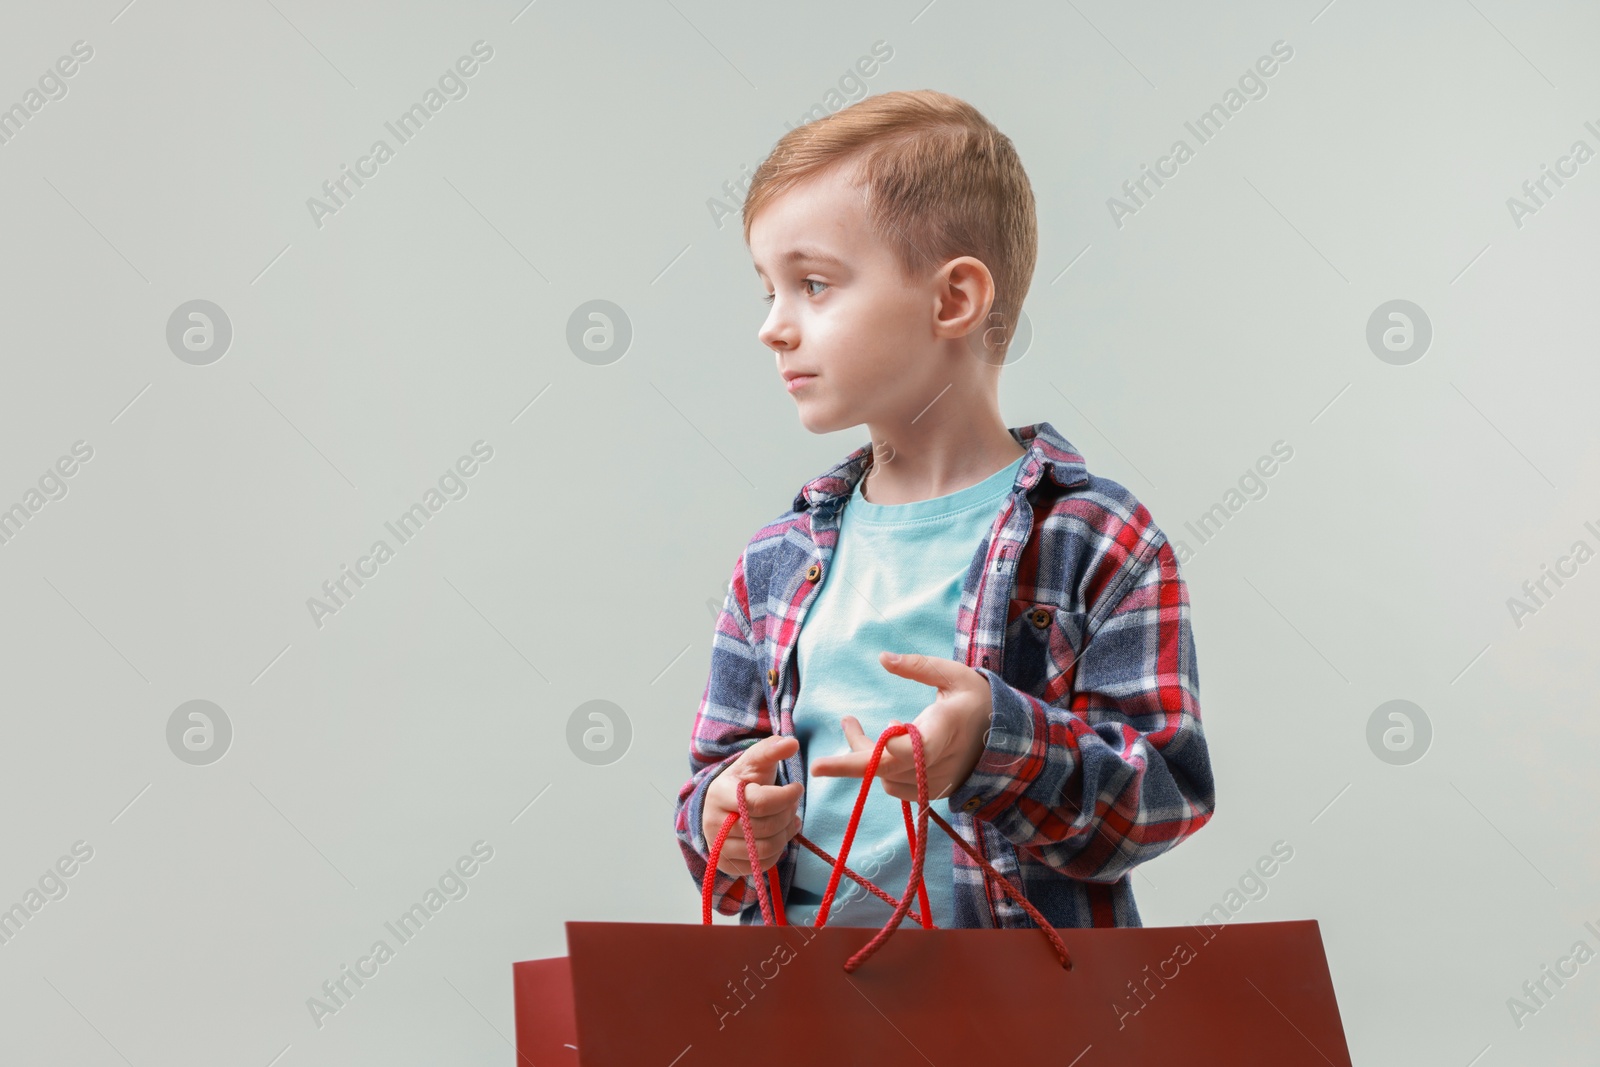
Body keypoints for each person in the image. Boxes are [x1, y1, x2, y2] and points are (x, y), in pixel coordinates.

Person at [672, 89, 1215, 931]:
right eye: (768, 291)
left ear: (954, 299)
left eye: (812, 284)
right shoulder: (774, 560)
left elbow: (1164, 793)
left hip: (1019, 1022)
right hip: (805, 1012)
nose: (773, 328)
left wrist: (993, 744)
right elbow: (714, 781)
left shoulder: (1099, 538)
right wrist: (724, 819)